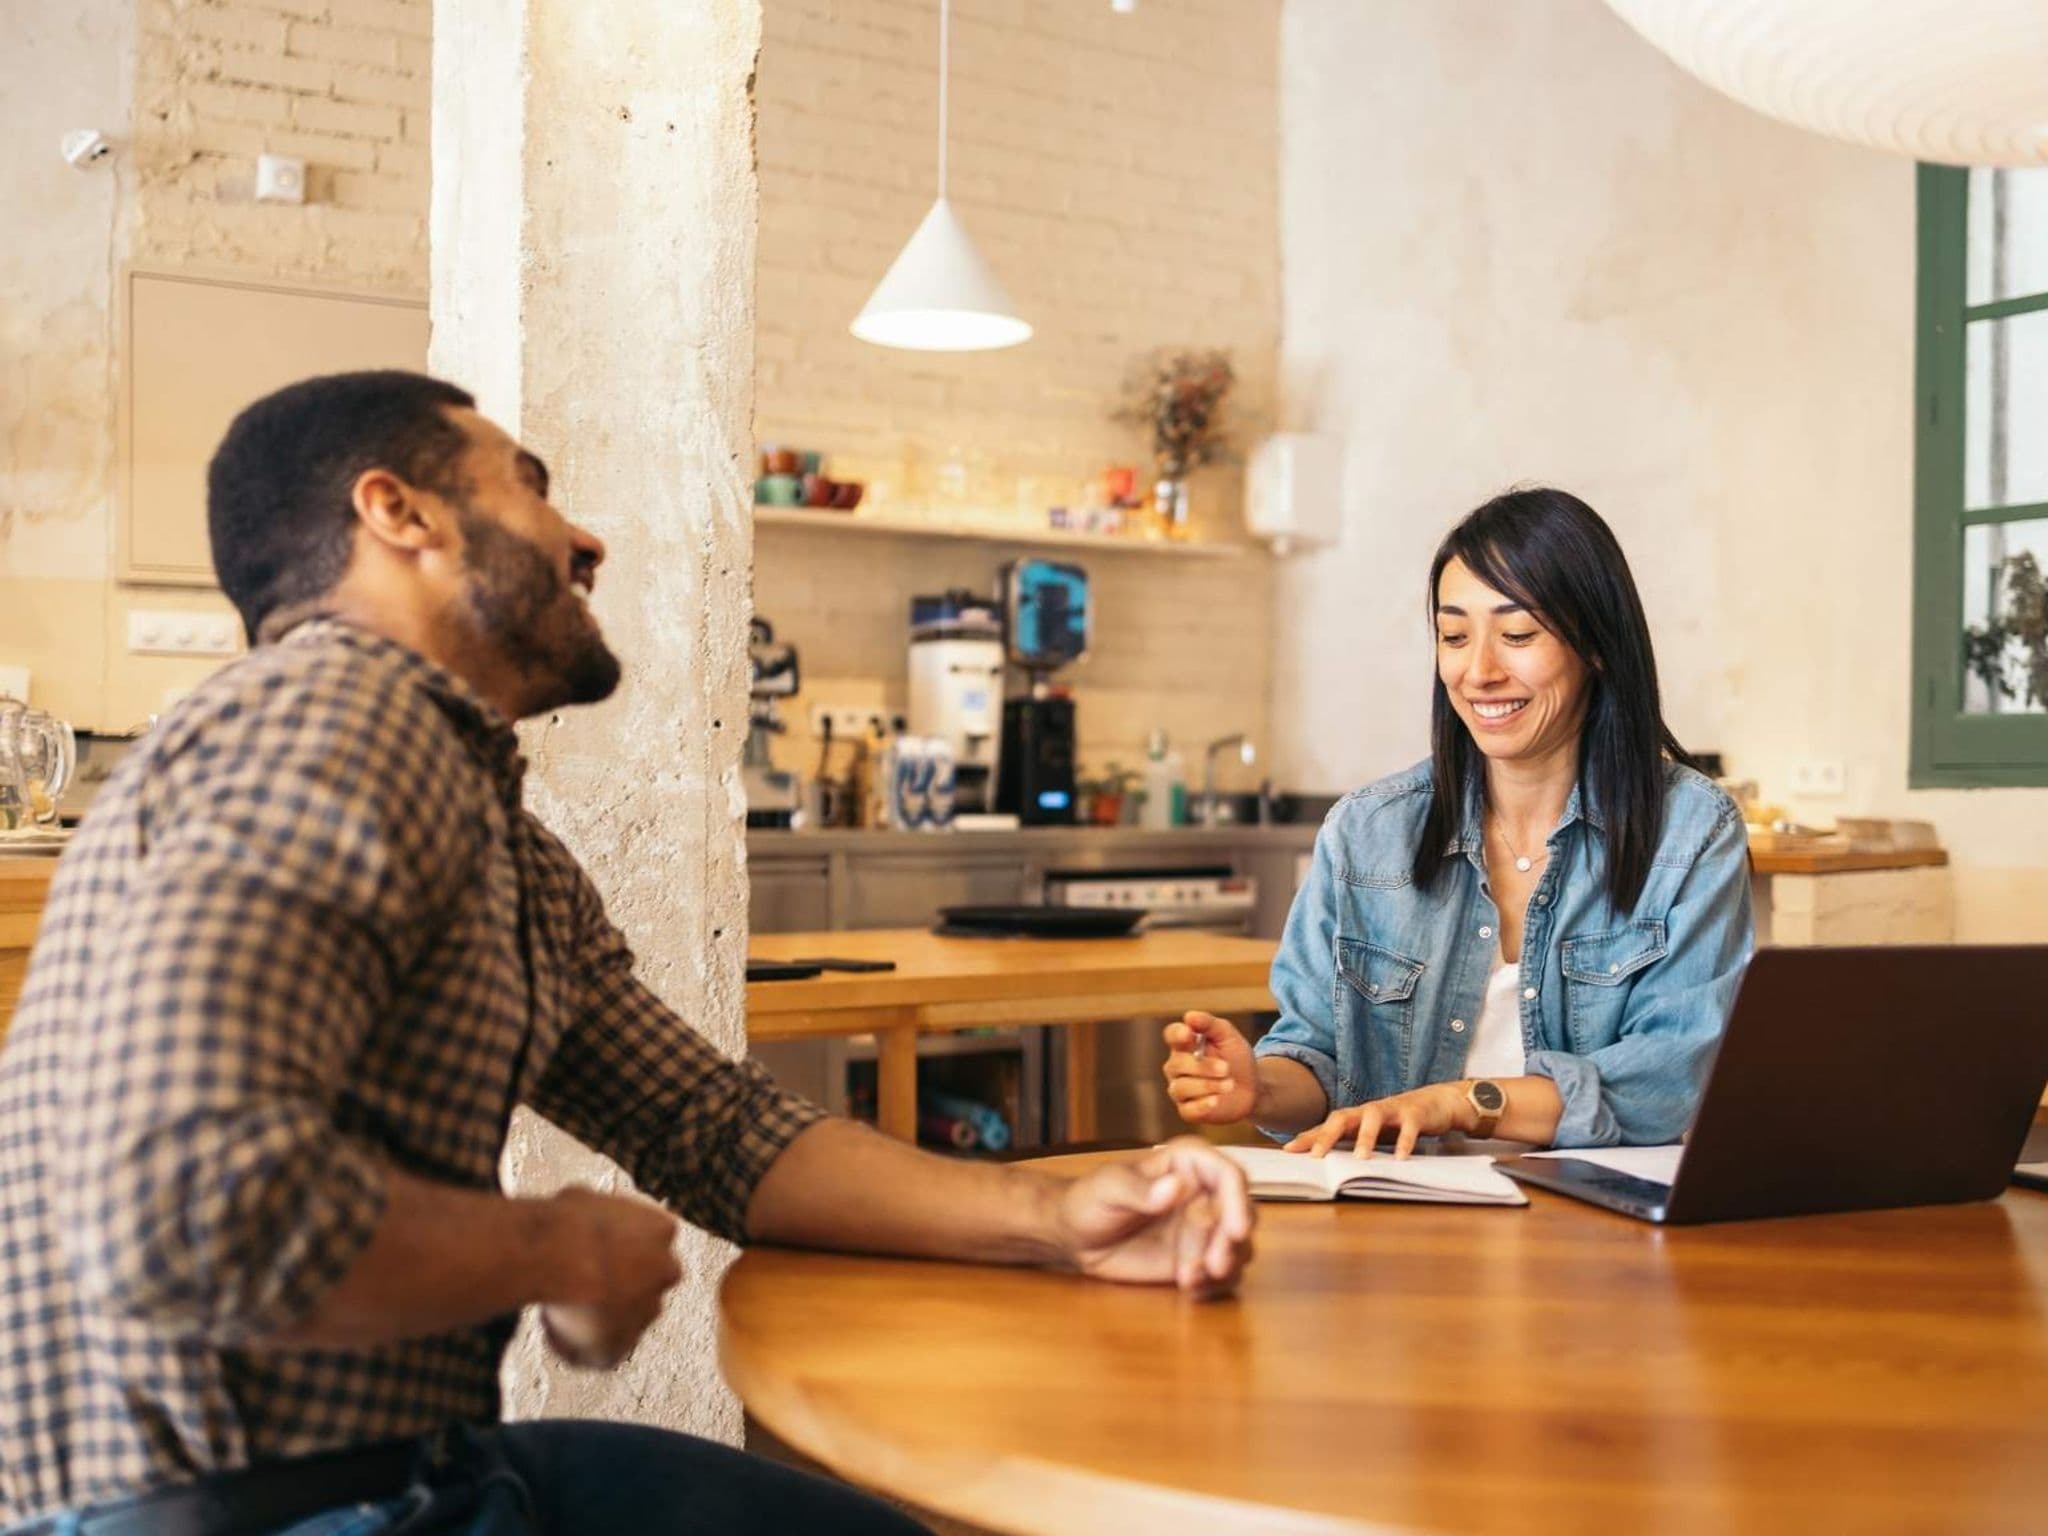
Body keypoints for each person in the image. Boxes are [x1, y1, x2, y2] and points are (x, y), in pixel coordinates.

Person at [0, 371, 1254, 1536]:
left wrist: (1059, 1219)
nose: (583, 541)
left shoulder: (486, 826)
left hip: (402, 1464)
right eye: (530, 486)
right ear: (399, 514)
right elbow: (185, 1213)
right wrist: (556, 1249)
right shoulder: (334, 724)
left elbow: (711, 1127)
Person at [1163, 486, 1753, 1157]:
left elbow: (1668, 1082)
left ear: (1596, 644)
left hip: (1587, 1213)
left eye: (1518, 635)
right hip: (1400, 1209)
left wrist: (1462, 1102)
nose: (1479, 672)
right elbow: (1320, 1059)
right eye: (1454, 636)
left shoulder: (1691, 831)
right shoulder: (1366, 832)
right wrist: (1259, 1088)